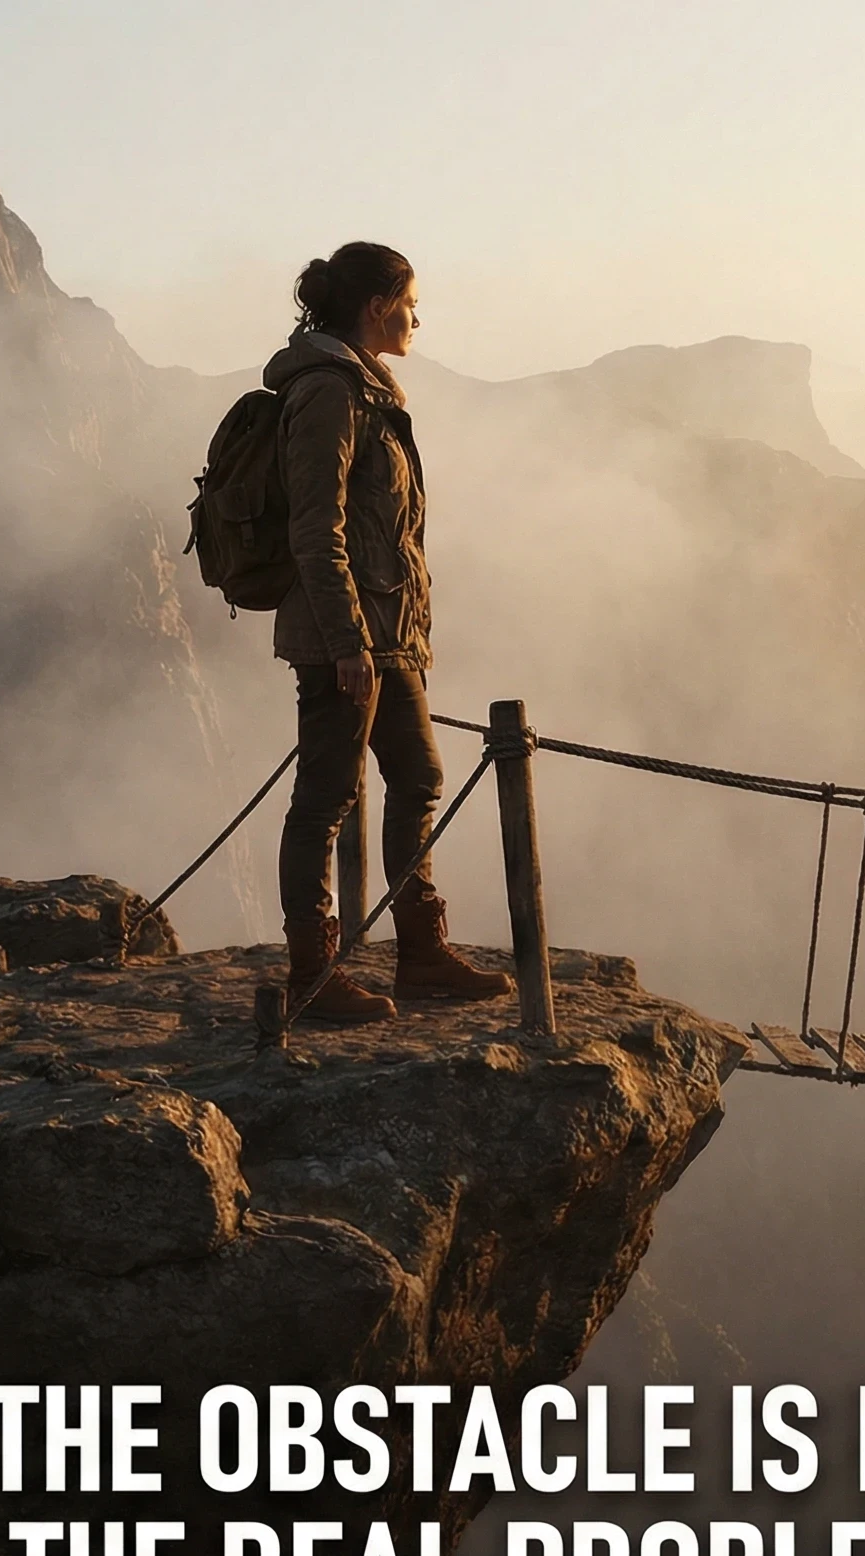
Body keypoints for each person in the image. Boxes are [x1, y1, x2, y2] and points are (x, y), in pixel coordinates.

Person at [266, 242, 509, 1021]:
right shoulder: (331, 393)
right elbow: (317, 528)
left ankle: (422, 954)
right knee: (327, 798)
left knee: (419, 776)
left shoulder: (368, 390)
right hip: (349, 639)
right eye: (408, 302)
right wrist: (345, 643)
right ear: (375, 307)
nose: (416, 317)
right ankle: (313, 974)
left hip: (389, 633)